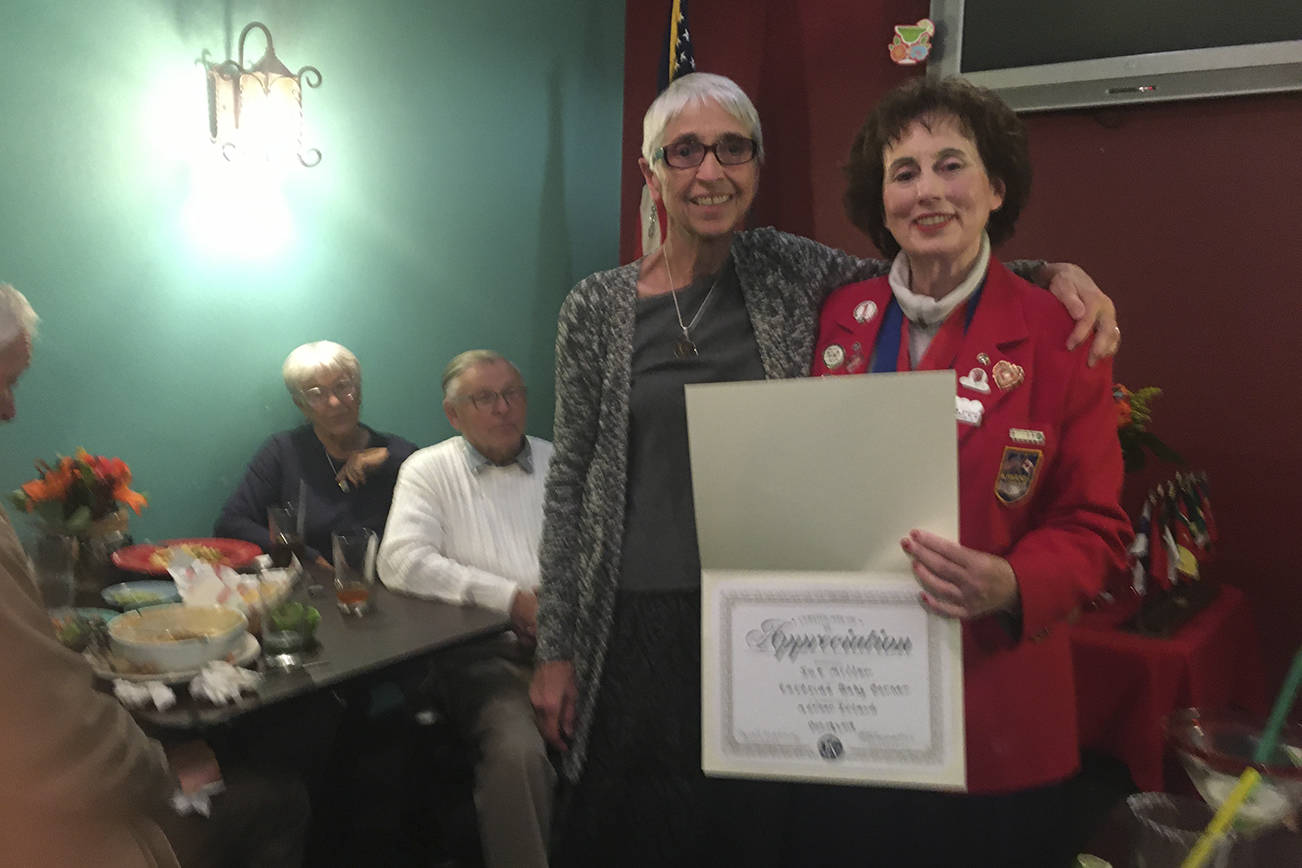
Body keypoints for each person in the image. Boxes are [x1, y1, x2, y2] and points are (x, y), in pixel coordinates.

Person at [529, 71, 1123, 865]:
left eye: (732, 148)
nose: (709, 170)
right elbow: (567, 485)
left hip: (886, 666)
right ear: (651, 171)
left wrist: (1054, 275)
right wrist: (556, 646)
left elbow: (943, 263)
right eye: (684, 152)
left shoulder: (796, 277)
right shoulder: (616, 308)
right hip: (691, 634)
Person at [805, 76, 1132, 865]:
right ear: (879, 201)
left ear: (995, 188)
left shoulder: (1062, 332)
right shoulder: (836, 319)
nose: (928, 191)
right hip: (852, 705)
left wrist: (1014, 583)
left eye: (951, 165)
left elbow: (1096, 526)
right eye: (904, 171)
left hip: (995, 708)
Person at [0, 284, 308, 868]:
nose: (11, 409)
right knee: (277, 798)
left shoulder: (390, 451)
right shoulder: (281, 451)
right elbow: (45, 724)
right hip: (42, 827)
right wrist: (161, 769)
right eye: (6, 382)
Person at [379, 350, 554, 868]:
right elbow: (401, 561)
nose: (503, 408)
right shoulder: (428, 470)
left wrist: (559, 624)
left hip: (567, 645)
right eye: (485, 398)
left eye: (513, 394)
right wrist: (511, 601)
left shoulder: (557, 459)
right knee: (518, 752)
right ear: (454, 414)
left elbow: (599, 548)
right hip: (480, 655)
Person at [215, 340, 417, 566]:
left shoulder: (395, 453)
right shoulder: (283, 452)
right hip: (311, 588)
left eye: (343, 386)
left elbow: (436, 480)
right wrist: (304, 554)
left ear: (359, 391)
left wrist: (390, 459)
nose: (334, 401)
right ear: (300, 405)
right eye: (316, 394)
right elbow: (231, 523)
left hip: (386, 587)